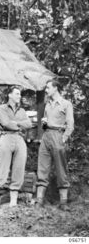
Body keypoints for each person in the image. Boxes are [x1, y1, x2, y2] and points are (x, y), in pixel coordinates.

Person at [0, 86, 32, 211]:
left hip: (19, 139)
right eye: (17, 94)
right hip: (6, 138)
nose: (19, 96)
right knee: (2, 171)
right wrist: (19, 124)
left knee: (19, 170)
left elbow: (29, 124)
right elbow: (6, 123)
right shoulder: (2, 108)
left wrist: (15, 123)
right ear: (10, 95)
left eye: (20, 94)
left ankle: (13, 202)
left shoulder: (22, 110)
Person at [35, 79, 74, 211]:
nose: (46, 90)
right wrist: (44, 125)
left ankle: (63, 202)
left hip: (58, 136)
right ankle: (39, 200)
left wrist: (63, 139)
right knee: (42, 167)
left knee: (61, 168)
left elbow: (70, 125)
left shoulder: (66, 104)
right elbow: (45, 122)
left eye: (48, 88)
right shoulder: (47, 104)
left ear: (55, 88)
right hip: (46, 136)